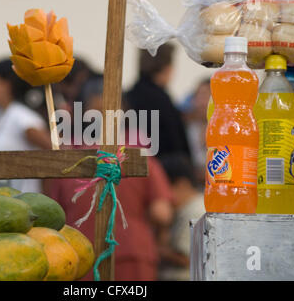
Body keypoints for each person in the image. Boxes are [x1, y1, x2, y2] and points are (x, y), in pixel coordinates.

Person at [48, 77, 174, 281]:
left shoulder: (67, 161)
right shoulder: (139, 156)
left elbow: (53, 214)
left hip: (79, 256)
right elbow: (162, 214)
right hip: (133, 255)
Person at [0, 59, 52, 193]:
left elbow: (56, 152)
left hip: (26, 203)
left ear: (6, 84)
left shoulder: (22, 117)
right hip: (4, 203)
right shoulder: (0, 115)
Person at [126, 43, 191, 160]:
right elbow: (178, 146)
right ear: (167, 69)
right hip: (161, 171)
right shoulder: (163, 101)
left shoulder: (127, 97)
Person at [157, 154, 205, 281]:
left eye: (164, 189)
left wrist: (158, 251)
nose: (163, 196)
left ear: (182, 185)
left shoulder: (195, 210)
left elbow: (187, 258)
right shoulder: (183, 209)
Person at [182, 78, 211, 188]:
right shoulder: (186, 127)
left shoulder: (225, 131)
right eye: (199, 96)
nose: (201, 102)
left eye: (206, 96)